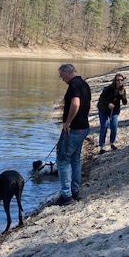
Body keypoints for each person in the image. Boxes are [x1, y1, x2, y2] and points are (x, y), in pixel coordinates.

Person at [55, 64, 91, 206]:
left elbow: (76, 103)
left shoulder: (74, 85)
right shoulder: (84, 84)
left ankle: (66, 195)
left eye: (61, 76)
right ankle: (74, 191)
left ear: (67, 72)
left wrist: (67, 123)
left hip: (75, 129)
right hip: (83, 127)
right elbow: (88, 105)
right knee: (75, 159)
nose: (62, 79)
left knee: (62, 159)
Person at [96, 73, 127, 154]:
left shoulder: (122, 90)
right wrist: (108, 104)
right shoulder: (108, 88)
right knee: (104, 126)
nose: (120, 82)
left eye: (121, 80)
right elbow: (101, 99)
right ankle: (102, 146)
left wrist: (122, 95)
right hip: (104, 109)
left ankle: (112, 143)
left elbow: (125, 102)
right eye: (118, 80)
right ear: (115, 81)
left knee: (114, 126)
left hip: (114, 110)